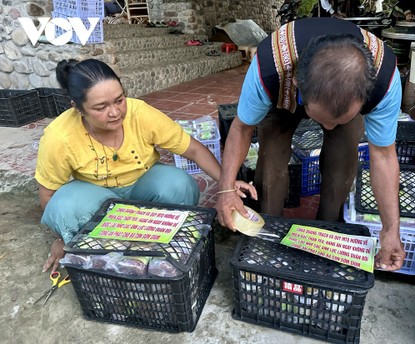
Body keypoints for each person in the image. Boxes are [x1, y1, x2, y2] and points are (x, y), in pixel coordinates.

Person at [215, 17, 406, 271]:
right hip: (282, 95)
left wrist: (392, 229)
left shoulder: (385, 82)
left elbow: (383, 155)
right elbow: (241, 128)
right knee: (271, 158)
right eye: (323, 120)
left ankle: (326, 235)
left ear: (364, 97)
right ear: (296, 84)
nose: (327, 128)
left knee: (342, 161)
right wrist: (226, 189)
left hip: (336, 93)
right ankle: (268, 232)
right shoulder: (268, 69)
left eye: (338, 120)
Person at [35, 58, 256, 273]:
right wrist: (62, 236)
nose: (115, 112)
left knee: (179, 184)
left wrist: (227, 184)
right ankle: (97, 249)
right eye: (101, 107)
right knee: (65, 205)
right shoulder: (59, 137)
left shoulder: (140, 113)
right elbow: (48, 195)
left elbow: (194, 150)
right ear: (78, 108)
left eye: (119, 100)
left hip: (143, 186)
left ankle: (162, 241)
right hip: (97, 197)